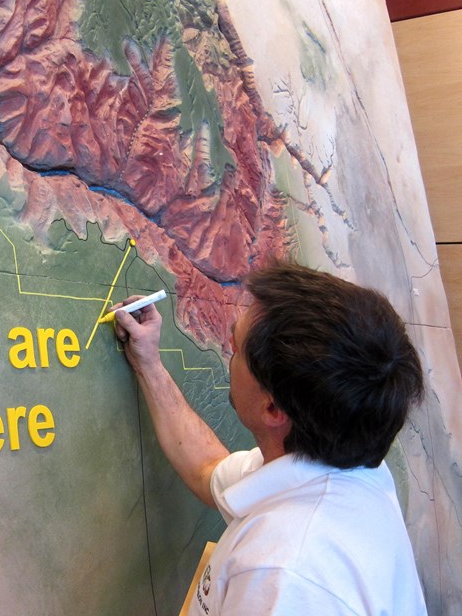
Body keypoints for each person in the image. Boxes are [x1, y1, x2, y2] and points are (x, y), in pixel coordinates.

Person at [113, 262, 427, 615]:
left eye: (236, 347)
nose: (228, 348)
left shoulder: (285, 578)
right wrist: (149, 363)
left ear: (274, 408)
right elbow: (208, 470)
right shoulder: (347, 469)